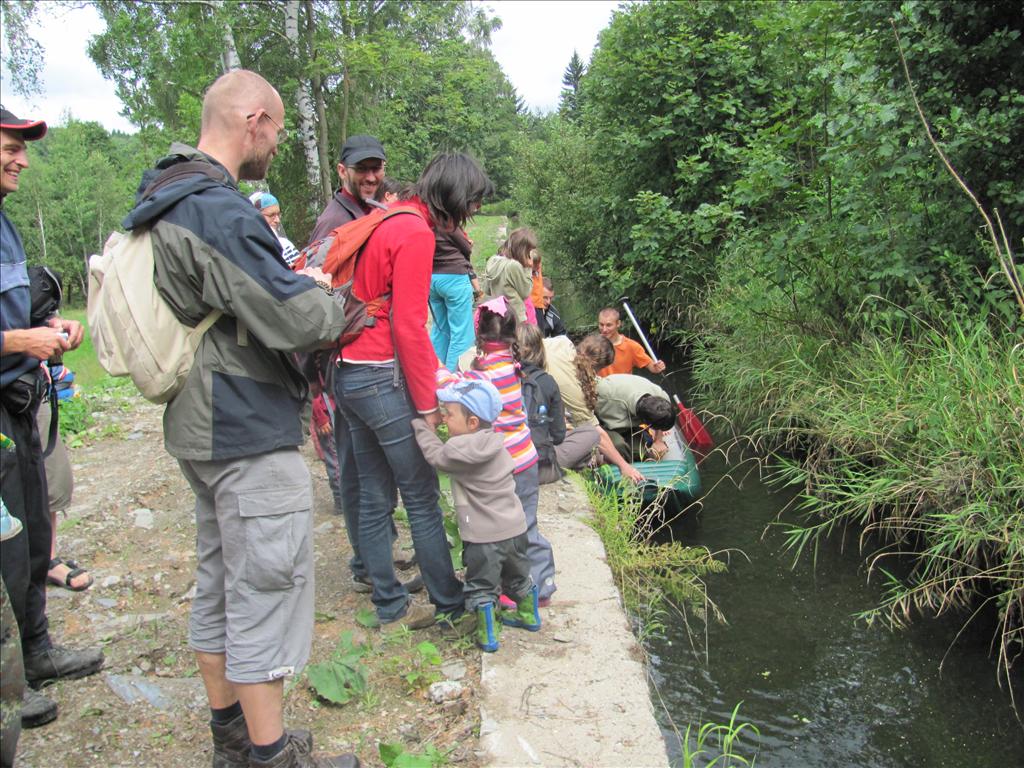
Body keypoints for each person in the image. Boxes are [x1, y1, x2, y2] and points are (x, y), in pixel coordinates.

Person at [125, 70, 359, 767]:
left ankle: (229, 732)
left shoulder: (164, 194)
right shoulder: (216, 210)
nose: (276, 144)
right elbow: (292, 317)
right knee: (265, 587)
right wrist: (327, 299)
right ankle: (269, 754)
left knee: (222, 581)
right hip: (243, 424)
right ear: (253, 119)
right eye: (277, 129)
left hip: (198, 422)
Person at [332, 152, 492, 630]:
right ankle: (449, 603)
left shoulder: (389, 214)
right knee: (421, 495)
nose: (473, 212)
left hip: (346, 370)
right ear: (454, 196)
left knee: (373, 492)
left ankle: (388, 601)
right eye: (472, 203)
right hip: (380, 375)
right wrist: (428, 404)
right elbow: (408, 325)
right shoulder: (416, 232)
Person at [1, 105, 104, 732]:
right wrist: (18, 342)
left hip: (19, 406)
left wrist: (47, 327)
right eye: (10, 146)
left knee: (34, 531)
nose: (22, 159)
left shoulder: (6, 225)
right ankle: (10, 690)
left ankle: (36, 653)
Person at [438, 298, 556, 605]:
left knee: (502, 530)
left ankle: (509, 589)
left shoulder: (483, 374)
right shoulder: (513, 366)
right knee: (526, 523)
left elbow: (450, 389)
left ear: (478, 335)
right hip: (527, 459)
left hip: (502, 467)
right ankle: (540, 586)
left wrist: (437, 368)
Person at [412, 379, 541, 652]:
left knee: (482, 585)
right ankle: (529, 616)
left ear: (472, 423)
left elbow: (435, 455)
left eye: (449, 414)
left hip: (483, 537)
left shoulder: (459, 450)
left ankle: (487, 635)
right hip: (516, 529)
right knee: (518, 576)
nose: (444, 418)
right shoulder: (497, 442)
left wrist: (421, 426)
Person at [543, 333, 645, 483]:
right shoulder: (572, 387)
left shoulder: (563, 341)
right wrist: (624, 467)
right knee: (589, 436)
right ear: (598, 368)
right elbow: (597, 434)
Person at [516, 324, 599, 484]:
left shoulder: (500, 376)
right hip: (537, 467)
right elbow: (558, 436)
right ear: (540, 350)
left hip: (505, 461)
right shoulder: (547, 381)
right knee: (591, 433)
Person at [308, 134, 386, 242]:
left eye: (376, 169)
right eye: (361, 169)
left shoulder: (377, 210)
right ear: (342, 171)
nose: (371, 178)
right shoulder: (333, 223)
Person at [595, 374, 677, 463]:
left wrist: (658, 440)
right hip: (602, 422)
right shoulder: (607, 395)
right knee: (619, 447)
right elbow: (590, 418)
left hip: (629, 424)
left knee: (640, 452)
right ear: (644, 421)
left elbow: (662, 419)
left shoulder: (661, 396)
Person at [428, 223, 476, 371]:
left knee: (440, 330)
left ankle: (435, 375)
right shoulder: (447, 220)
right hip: (454, 278)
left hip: (433, 278)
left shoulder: (427, 220)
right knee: (461, 334)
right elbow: (466, 247)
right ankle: (454, 378)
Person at [479, 227, 537, 324]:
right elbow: (525, 292)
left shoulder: (493, 261)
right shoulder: (514, 266)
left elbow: (487, 289)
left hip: (497, 315)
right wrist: (528, 267)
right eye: (529, 251)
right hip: (515, 317)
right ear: (523, 250)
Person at [596, 307, 666, 377]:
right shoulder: (593, 344)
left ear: (618, 324)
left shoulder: (631, 346)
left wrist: (657, 367)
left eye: (609, 325)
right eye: (601, 325)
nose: (604, 329)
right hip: (600, 384)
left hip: (622, 384)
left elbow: (651, 367)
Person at [249, 191, 300, 266]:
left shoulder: (286, 244)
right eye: (271, 215)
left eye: (278, 214)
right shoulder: (249, 251)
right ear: (255, 216)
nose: (277, 220)